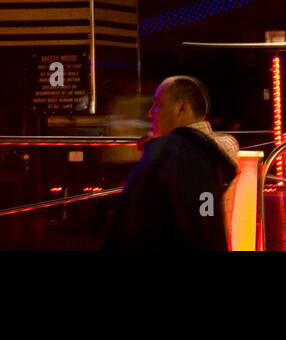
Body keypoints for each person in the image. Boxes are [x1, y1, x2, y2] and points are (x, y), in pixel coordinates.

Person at [102, 76, 238, 250]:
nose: (150, 112)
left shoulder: (171, 151)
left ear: (181, 108)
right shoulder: (223, 146)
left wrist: (160, 145)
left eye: (158, 104)